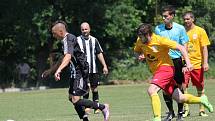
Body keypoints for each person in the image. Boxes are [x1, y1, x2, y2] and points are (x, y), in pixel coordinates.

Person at [134, 23, 213, 121]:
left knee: (152, 90)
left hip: (166, 69)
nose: (140, 39)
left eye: (142, 37)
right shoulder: (140, 41)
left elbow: (181, 47)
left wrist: (188, 63)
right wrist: (139, 56)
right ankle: (202, 100)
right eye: (139, 37)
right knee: (179, 97)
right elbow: (137, 51)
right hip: (157, 72)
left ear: (148, 34)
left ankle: (157, 118)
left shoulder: (160, 40)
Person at [50, 20, 109, 121]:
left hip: (80, 71)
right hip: (75, 73)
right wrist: (51, 70)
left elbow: (68, 57)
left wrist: (58, 70)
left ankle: (103, 107)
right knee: (71, 98)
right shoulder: (65, 40)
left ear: (60, 31)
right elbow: (63, 57)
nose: (53, 36)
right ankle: (86, 118)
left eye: (54, 33)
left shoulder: (69, 39)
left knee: (75, 99)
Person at [155, 5, 189, 121]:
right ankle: (170, 112)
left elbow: (185, 45)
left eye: (166, 16)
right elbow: (155, 45)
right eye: (163, 16)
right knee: (165, 87)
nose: (164, 18)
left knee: (179, 86)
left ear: (172, 16)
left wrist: (185, 63)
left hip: (177, 61)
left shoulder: (180, 28)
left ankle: (180, 113)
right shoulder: (158, 29)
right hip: (164, 62)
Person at [182, 11, 211, 117]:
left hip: (197, 64)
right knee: (183, 86)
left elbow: (204, 48)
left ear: (193, 19)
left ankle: (202, 109)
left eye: (188, 19)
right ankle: (186, 110)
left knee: (200, 87)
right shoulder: (182, 31)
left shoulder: (200, 31)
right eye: (184, 19)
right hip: (185, 64)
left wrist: (205, 62)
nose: (186, 21)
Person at [77, 22, 109, 114]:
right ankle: (87, 107)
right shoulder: (77, 40)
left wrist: (104, 66)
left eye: (86, 29)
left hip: (93, 69)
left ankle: (97, 107)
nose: (84, 31)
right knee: (85, 87)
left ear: (89, 29)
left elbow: (99, 53)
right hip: (82, 70)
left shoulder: (94, 40)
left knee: (94, 88)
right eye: (82, 29)